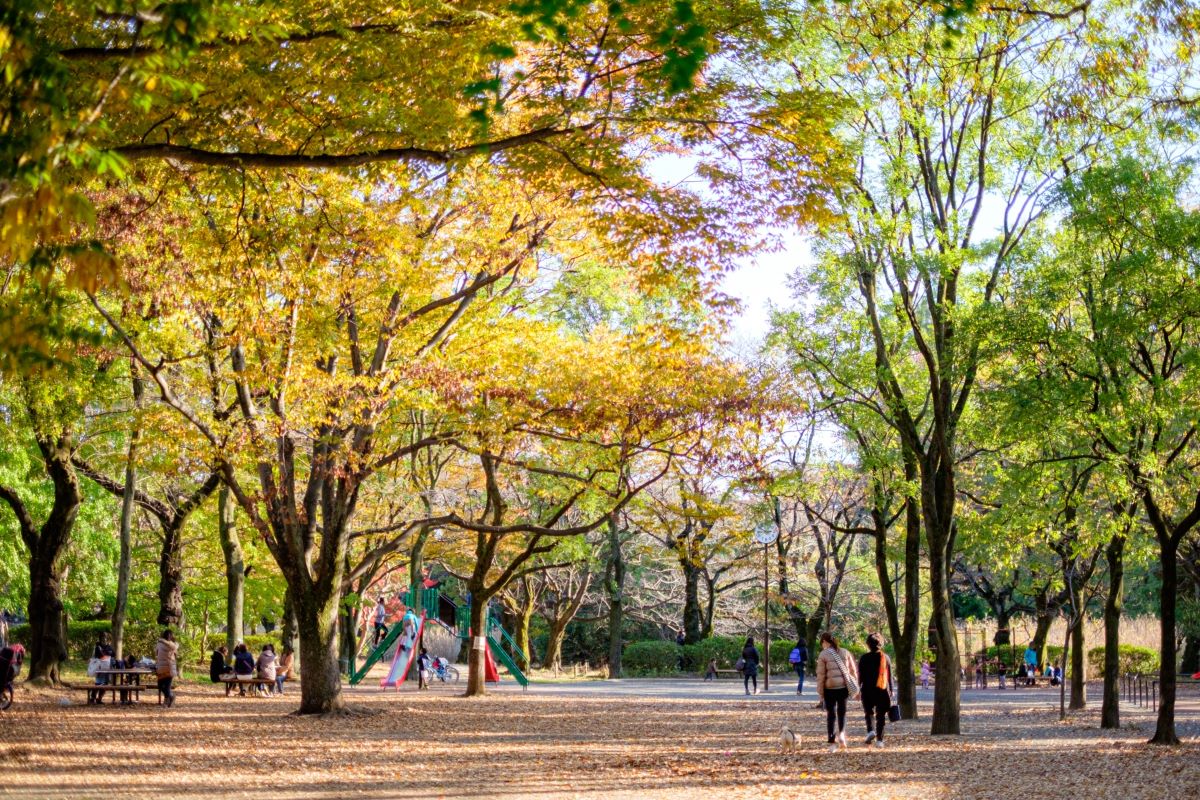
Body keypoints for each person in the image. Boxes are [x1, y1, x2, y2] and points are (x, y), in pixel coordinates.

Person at [816, 631, 858, 753]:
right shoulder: (845, 652)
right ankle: (842, 735)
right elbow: (853, 671)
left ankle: (831, 740)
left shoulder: (823, 655)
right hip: (843, 688)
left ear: (824, 642)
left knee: (831, 714)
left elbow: (821, 676)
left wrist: (820, 692)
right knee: (842, 712)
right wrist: (855, 686)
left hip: (830, 689)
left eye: (822, 643)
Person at [857, 633, 895, 748]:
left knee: (868, 712)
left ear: (868, 644)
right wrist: (892, 690)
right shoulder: (885, 658)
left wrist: (858, 689)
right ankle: (879, 740)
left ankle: (871, 731)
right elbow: (889, 676)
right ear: (881, 644)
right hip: (882, 690)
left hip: (867, 690)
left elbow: (860, 676)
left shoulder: (864, 658)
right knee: (881, 716)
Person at [155, 629, 178, 708]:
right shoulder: (171, 645)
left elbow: (157, 653)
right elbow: (157, 653)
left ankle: (167, 701)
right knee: (161, 686)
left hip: (167, 668)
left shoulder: (164, 644)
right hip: (165, 667)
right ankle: (171, 698)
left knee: (165, 686)